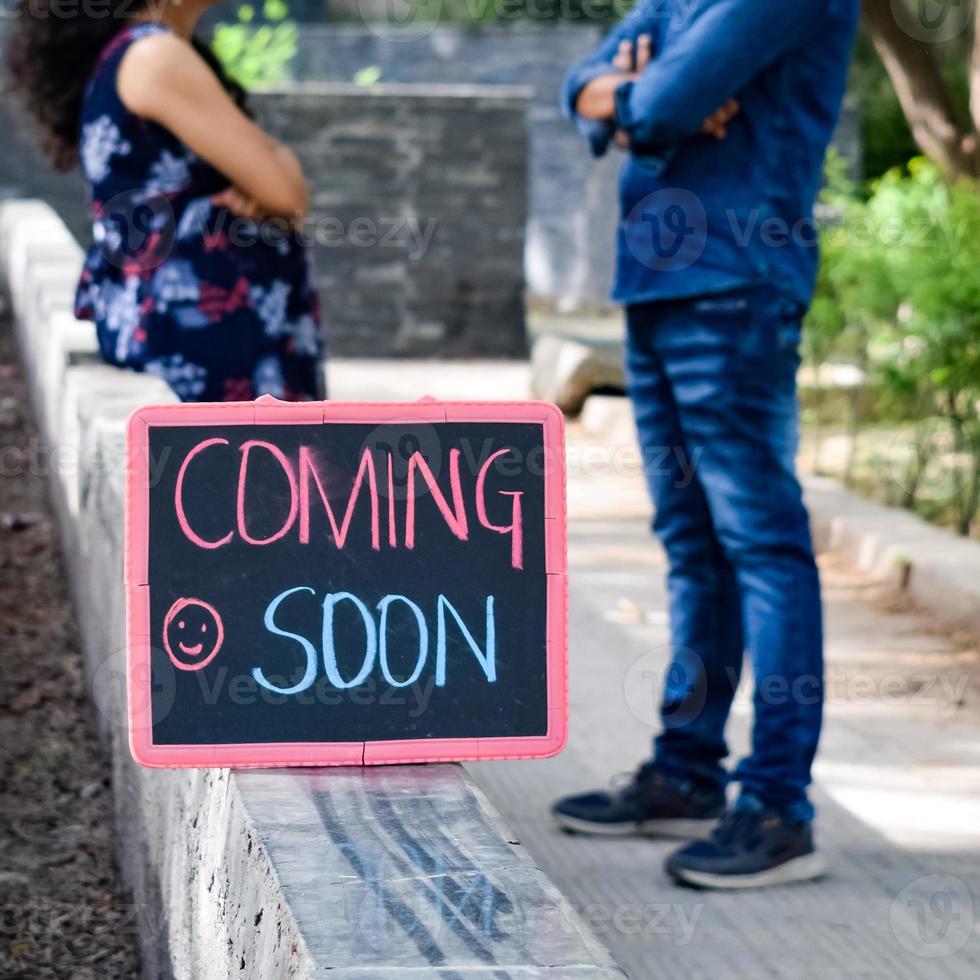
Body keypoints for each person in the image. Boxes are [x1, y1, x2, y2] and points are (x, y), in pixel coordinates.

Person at [553, 0, 860, 889]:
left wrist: (644, 93)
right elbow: (582, 87)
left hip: (734, 282)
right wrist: (632, 89)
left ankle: (777, 807)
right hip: (653, 282)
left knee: (761, 542)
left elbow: (665, 108)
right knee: (692, 544)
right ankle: (688, 770)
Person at [7, 0, 323, 402]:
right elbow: (288, 193)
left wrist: (267, 180)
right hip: (206, 341)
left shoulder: (142, 52)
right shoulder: (155, 56)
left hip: (197, 331)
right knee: (244, 464)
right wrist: (275, 165)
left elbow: (277, 194)